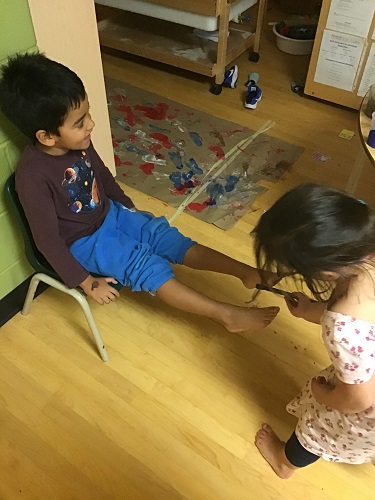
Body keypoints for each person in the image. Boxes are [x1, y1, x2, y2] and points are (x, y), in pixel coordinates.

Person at [0, 52, 279, 333]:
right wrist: (86, 281)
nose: (91, 125)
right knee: (146, 266)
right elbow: (47, 242)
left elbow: (103, 177)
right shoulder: (32, 177)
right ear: (46, 136)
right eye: (80, 122)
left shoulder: (78, 143)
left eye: (88, 114)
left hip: (112, 214)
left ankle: (244, 272)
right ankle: (225, 315)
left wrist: (128, 208)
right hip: (82, 242)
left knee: (166, 238)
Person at [252, 183, 375, 478]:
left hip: (364, 399)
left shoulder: (343, 329)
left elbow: (359, 399)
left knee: (320, 429)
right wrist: (311, 310)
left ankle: (284, 462)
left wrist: (325, 396)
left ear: (327, 273)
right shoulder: (365, 251)